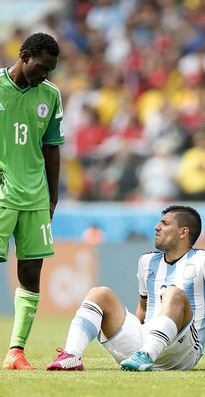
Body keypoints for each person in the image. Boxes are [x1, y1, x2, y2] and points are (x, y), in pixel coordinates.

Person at [46, 205, 205, 372]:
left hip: (183, 352)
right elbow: (143, 310)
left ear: (183, 232)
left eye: (164, 223)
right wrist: (131, 336)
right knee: (99, 293)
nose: (156, 227)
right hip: (145, 344)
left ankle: (146, 354)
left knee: (173, 294)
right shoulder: (147, 261)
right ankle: (72, 355)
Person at [0, 33, 65, 370]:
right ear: (24, 55)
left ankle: (16, 352)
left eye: (50, 70)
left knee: (31, 270)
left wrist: (53, 199)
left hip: (35, 195)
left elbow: (52, 147)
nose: (46, 75)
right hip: (2, 193)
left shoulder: (51, 96)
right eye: (41, 67)